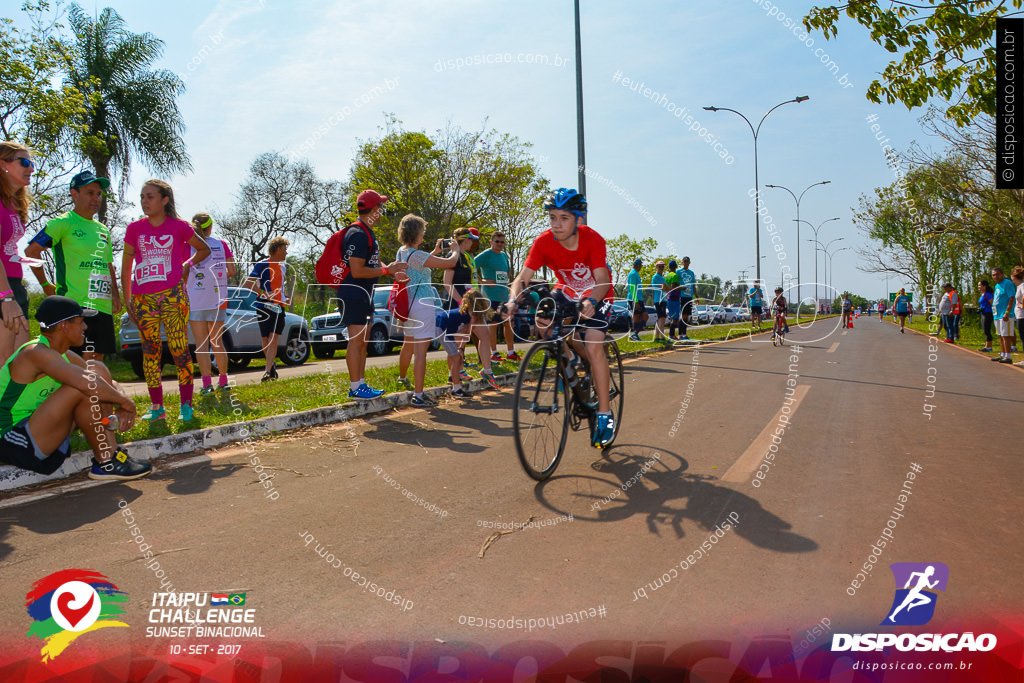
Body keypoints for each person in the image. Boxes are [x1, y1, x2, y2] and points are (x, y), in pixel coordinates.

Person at [505, 188, 616, 448]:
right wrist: (511, 300)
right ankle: (572, 357)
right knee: (543, 322)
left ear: (578, 219)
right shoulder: (543, 242)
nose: (557, 224)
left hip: (598, 294)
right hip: (566, 291)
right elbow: (522, 278)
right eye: (553, 217)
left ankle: (604, 415)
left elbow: (602, 280)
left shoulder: (593, 240)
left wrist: (592, 301)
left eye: (564, 218)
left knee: (592, 344)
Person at [0, 296, 150, 480]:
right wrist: (127, 404)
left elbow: (104, 381)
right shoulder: (35, 353)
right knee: (82, 386)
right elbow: (86, 383)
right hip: (13, 439)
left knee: (98, 369)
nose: (85, 327)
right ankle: (105, 461)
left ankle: (110, 455)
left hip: (39, 429)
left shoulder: (64, 355)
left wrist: (121, 399)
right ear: (63, 326)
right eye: (81, 322)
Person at [122, 180, 210, 422]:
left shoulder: (179, 227)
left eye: (150, 196)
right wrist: (126, 298)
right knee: (150, 352)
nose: (144, 201)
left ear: (164, 200)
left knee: (179, 349)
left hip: (173, 295)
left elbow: (203, 250)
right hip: (142, 298)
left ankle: (186, 406)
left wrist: (186, 264)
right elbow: (126, 265)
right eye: (142, 197)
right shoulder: (134, 229)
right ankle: (157, 407)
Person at [26, 171, 121, 363]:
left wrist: (115, 295)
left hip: (101, 305)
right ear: (74, 194)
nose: (96, 198)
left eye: (99, 194)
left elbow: (108, 264)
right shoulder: (62, 223)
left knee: (96, 363)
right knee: (78, 366)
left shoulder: (102, 230)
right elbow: (31, 252)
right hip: (75, 305)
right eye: (90, 192)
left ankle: (94, 395)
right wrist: (45, 285)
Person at [335, 189, 408, 399]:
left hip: (364, 295)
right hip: (353, 294)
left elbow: (373, 262)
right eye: (381, 207)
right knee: (356, 341)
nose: (382, 211)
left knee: (363, 342)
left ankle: (361, 384)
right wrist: (387, 270)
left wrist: (392, 272)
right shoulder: (357, 234)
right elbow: (357, 270)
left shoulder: (367, 232)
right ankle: (355, 387)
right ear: (374, 209)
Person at [393, 213, 462, 407]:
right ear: (416, 233)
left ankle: (404, 379)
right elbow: (451, 263)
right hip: (423, 304)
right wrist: (455, 250)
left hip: (408, 303)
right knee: (421, 352)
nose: (424, 234)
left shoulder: (402, 252)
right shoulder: (418, 255)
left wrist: (434, 252)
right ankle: (419, 395)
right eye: (422, 231)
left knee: (409, 344)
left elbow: (419, 264)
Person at [187, 212, 235, 393]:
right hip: (218, 299)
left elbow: (183, 270)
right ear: (209, 226)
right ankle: (223, 382)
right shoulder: (221, 245)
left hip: (196, 299)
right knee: (218, 342)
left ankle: (207, 384)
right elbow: (231, 270)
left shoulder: (189, 245)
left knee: (201, 344)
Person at [0, 142, 34, 366]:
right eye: (24, 162)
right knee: (4, 362)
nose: (31, 168)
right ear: (3, 165)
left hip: (14, 284)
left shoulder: (14, 203)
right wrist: (6, 297)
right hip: (3, 289)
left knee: (21, 362)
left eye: (31, 163)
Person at [443, 226, 493, 372]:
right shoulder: (453, 256)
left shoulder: (466, 256)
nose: (473, 243)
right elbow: (447, 283)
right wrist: (460, 301)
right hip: (458, 303)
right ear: (464, 240)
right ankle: (455, 373)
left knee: (483, 334)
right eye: (471, 239)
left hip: (471, 303)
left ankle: (487, 370)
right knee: (460, 340)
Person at [242, 236, 290, 383]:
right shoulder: (262, 265)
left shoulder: (283, 267)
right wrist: (263, 293)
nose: (286, 254)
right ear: (278, 250)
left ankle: (267, 372)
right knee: (265, 340)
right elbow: (247, 284)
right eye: (285, 250)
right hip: (263, 306)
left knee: (273, 339)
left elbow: (280, 287)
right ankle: (271, 365)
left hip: (278, 307)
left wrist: (285, 297)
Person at [476, 230, 521, 362]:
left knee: (508, 323)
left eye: (502, 242)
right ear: (491, 242)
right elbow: (471, 265)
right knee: (493, 324)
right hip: (489, 297)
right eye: (497, 241)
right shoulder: (486, 254)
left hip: (504, 297)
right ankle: (494, 353)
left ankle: (511, 352)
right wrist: (482, 281)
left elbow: (506, 273)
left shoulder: (503, 255)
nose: (500, 244)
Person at [991, 267, 1016, 364]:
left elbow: (1011, 297)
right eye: (993, 275)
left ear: (1002, 274)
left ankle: (1008, 356)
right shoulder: (997, 285)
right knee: (1000, 335)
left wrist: (1007, 312)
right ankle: (1003, 354)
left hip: (1005, 314)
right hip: (997, 314)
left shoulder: (1007, 283)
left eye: (997, 274)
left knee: (1006, 335)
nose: (995, 276)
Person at [676, 256, 696, 342]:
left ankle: (684, 334)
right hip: (682, 295)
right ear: (682, 262)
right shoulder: (678, 271)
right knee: (683, 315)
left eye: (687, 261)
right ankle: (680, 334)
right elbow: (675, 283)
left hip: (689, 296)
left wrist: (696, 296)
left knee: (687, 316)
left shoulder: (691, 273)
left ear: (689, 263)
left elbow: (693, 285)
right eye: (684, 261)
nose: (686, 263)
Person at [626, 259, 644, 341]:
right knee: (637, 316)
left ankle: (635, 334)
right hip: (634, 299)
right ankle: (634, 334)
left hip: (639, 298)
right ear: (638, 265)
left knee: (644, 316)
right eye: (640, 265)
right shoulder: (633, 274)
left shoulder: (636, 273)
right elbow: (632, 288)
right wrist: (636, 301)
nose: (641, 267)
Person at [651, 260, 668, 343]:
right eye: (660, 266)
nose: (661, 268)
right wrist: (664, 286)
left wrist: (665, 286)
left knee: (661, 319)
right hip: (658, 300)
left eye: (662, 266)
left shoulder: (662, 278)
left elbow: (666, 288)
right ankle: (662, 337)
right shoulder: (655, 277)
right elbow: (662, 287)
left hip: (663, 299)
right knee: (661, 318)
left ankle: (657, 337)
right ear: (656, 267)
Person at [664, 260, 681, 339]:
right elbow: (674, 287)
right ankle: (672, 335)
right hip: (674, 298)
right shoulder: (675, 275)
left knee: (672, 317)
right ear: (676, 267)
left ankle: (672, 335)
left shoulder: (667, 276)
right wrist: (681, 287)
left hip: (668, 298)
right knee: (675, 319)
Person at [977, 280, 994, 352]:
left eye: (980, 285)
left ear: (985, 286)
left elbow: (992, 304)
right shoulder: (982, 294)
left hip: (988, 313)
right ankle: (987, 346)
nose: (979, 287)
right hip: (983, 313)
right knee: (985, 330)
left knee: (987, 330)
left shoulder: (988, 294)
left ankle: (989, 347)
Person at [1012, 266, 1024, 364]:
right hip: (1019, 315)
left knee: (1023, 337)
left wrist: (1021, 305)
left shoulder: (1022, 285)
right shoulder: (1019, 286)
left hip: (1022, 315)